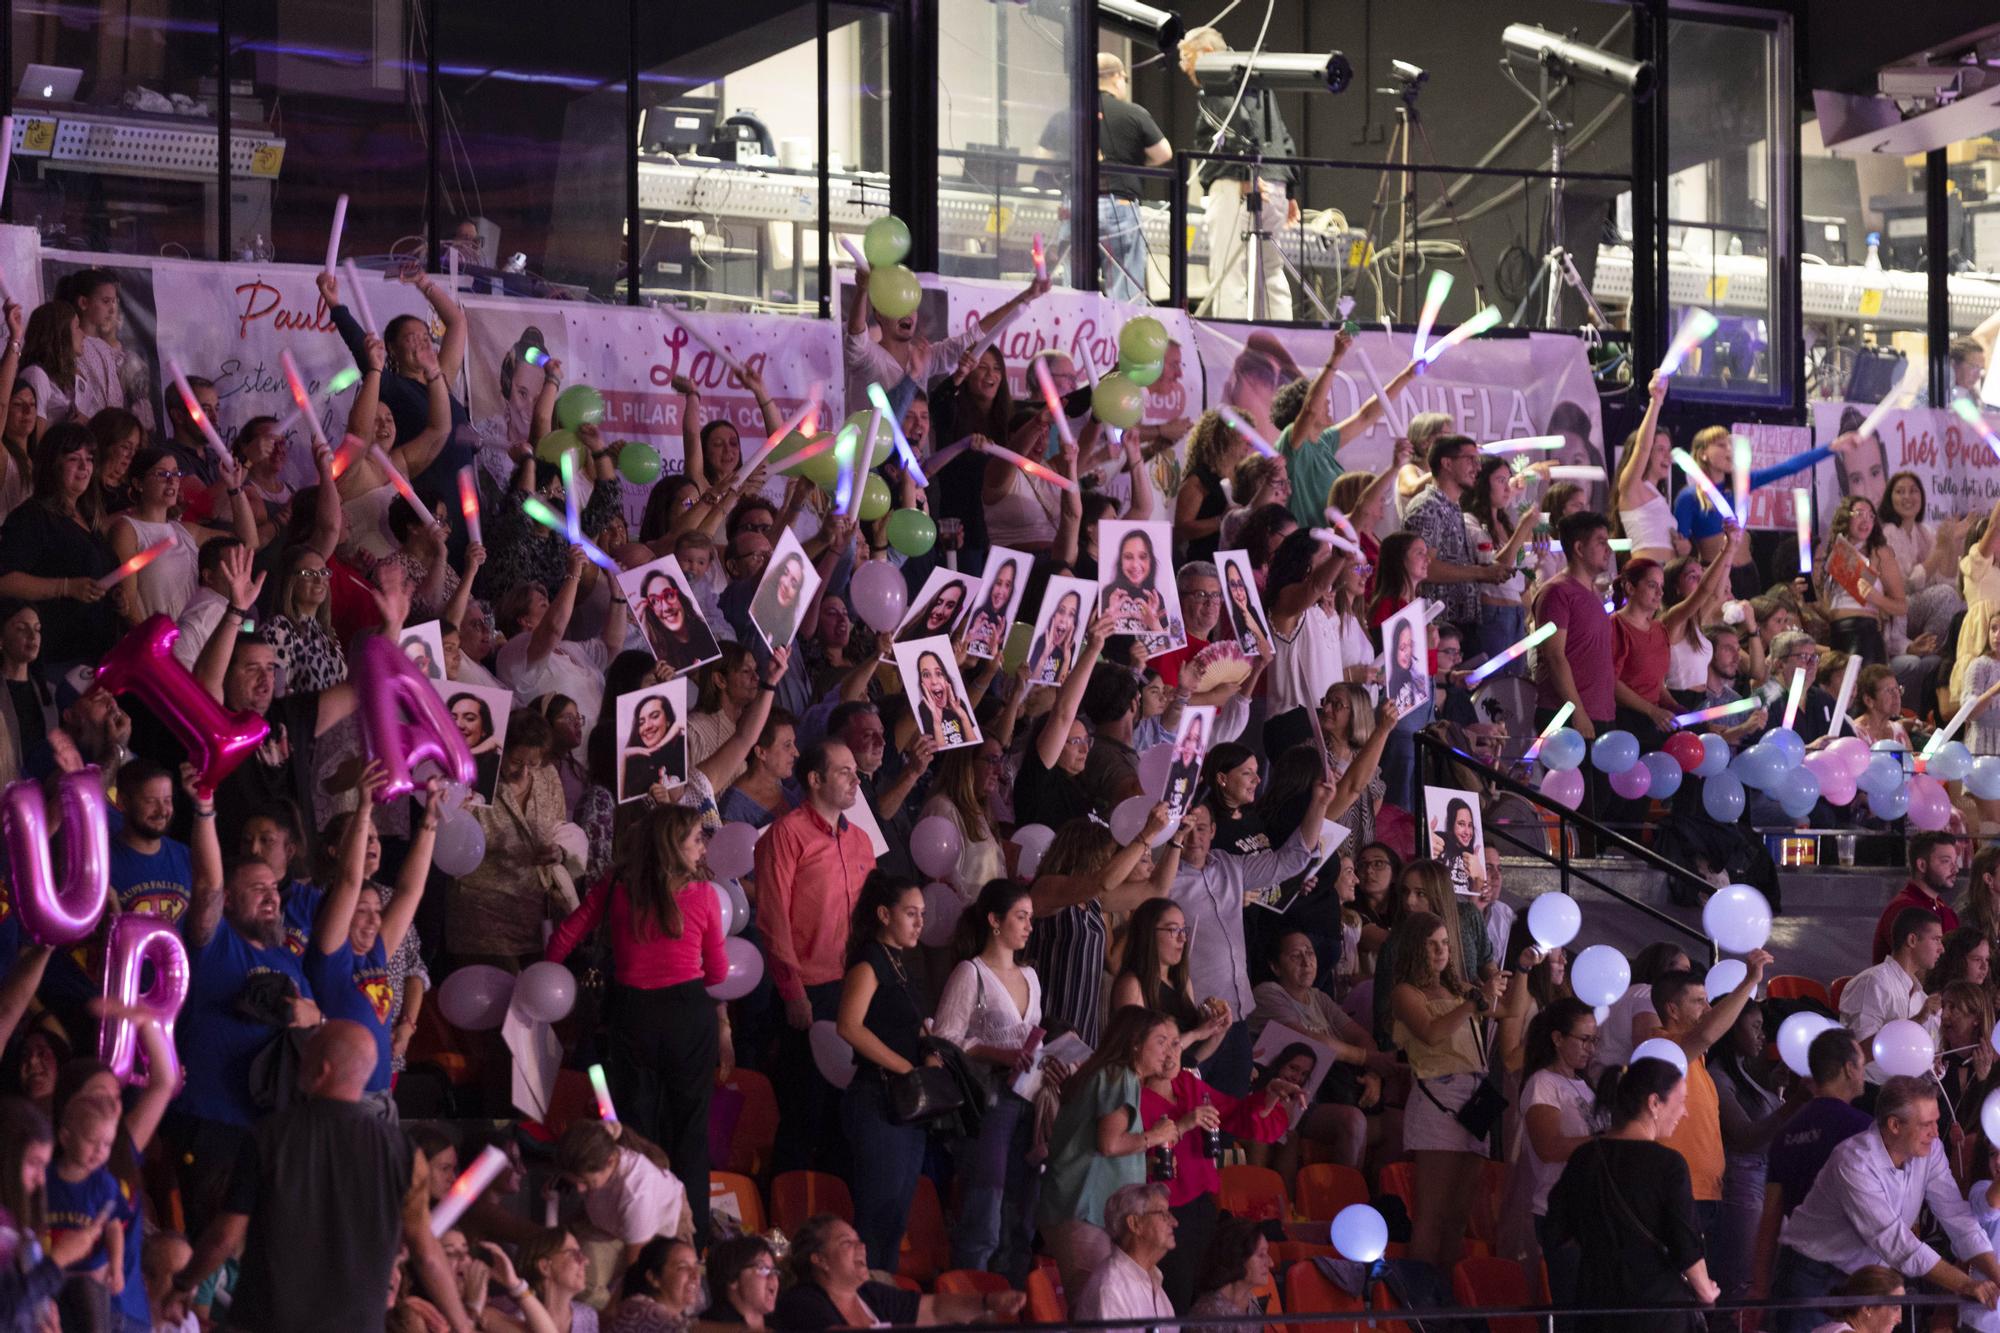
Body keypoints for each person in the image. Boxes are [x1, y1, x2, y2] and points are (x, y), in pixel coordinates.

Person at [171, 1022, 476, 1332]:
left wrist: (181, 1286)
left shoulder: (270, 1136)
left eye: (307, 1054)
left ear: (323, 1069)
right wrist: (462, 1325)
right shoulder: (403, 1152)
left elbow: (226, 1235)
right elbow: (428, 1255)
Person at [548, 806, 728, 1244]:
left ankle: (639, 1242)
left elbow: (564, 938)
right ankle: (691, 1244)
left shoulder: (617, 886)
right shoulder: (703, 895)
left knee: (636, 1132)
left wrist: (545, 977)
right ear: (673, 847)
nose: (704, 845)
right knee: (691, 1133)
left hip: (633, 1017)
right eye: (695, 839)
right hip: (688, 1018)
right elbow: (719, 974)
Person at [1772, 1075, 2000, 1333]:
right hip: (1813, 1272)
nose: (1936, 1133)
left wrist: (1996, 1274)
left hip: (1868, 1274)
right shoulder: (1854, 1161)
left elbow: (1956, 1216)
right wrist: (1966, 1284)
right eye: (1927, 1124)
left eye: (1937, 1121)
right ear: (1894, 1125)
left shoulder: (1930, 1148)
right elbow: (1897, 1243)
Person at [754, 741, 877, 1172]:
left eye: (854, 770)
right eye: (844, 771)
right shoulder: (786, 835)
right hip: (809, 991)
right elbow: (773, 919)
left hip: (854, 987)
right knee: (803, 1110)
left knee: (848, 1113)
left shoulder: (861, 840)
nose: (855, 777)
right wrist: (792, 992)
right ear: (815, 779)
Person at [1545, 1058, 1720, 1333]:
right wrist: (1705, 1291)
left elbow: (1554, 1230)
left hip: (1595, 1307)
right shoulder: (1668, 1163)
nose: (1684, 1112)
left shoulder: (1585, 1157)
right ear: (1654, 1103)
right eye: (1681, 1101)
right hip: (1655, 1310)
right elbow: (1684, 1241)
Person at [306, 763, 441, 1119]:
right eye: (360, 912)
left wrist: (429, 821)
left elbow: (412, 891)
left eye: (376, 911)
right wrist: (364, 808)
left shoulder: (375, 956)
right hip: (346, 1101)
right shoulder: (331, 959)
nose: (373, 920)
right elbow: (350, 882)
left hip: (382, 1096)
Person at [1389, 909, 1521, 1271]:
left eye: (1445, 944)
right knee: (1431, 1213)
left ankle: (1448, 1292)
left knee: (1459, 1215)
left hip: (1475, 1093)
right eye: (1432, 945)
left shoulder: (1461, 987)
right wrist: (1473, 1003)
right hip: (1438, 1093)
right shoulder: (1406, 992)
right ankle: (1422, 1301)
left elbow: (1512, 1011)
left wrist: (1522, 969)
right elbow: (1431, 1032)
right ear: (1415, 949)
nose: (1441, 952)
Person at [932, 878, 1042, 1281]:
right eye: (1020, 917)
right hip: (988, 1101)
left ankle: (1010, 1303)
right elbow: (945, 1037)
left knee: (1021, 1213)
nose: (1029, 926)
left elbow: (1031, 1035)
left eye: (1031, 917)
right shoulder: (971, 972)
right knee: (985, 1213)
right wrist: (998, 1052)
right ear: (995, 921)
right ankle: (970, 1303)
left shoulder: (1031, 976)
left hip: (1027, 1098)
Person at [833, 873, 932, 1272]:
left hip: (904, 1104)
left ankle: (882, 1300)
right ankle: (866, 1303)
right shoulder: (871, 959)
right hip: (877, 1098)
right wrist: (906, 1066)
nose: (920, 922)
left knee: (895, 1220)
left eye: (922, 914)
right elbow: (849, 1026)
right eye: (911, 913)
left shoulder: (899, 961)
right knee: (876, 1219)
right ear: (883, 914)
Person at [1180, 26, 1297, 319]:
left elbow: (1237, 128)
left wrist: (1248, 176)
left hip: (1239, 183)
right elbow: (1281, 134)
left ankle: (1227, 357)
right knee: (1271, 273)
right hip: (1275, 182)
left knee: (1228, 275)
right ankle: (1279, 348)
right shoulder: (1257, 75)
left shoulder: (1218, 76)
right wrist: (1290, 190)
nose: (1184, 67)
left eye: (1187, 57)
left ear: (1207, 53)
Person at [1751, 1027, 1871, 1301]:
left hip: (1797, 1267)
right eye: (1862, 1066)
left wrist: (1759, 1286)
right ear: (1850, 1069)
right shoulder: (1864, 1130)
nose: (1864, 1073)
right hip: (1851, 1268)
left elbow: (1770, 1216)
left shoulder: (1786, 1134)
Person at [771, 1214, 1023, 1330]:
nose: (862, 1247)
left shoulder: (872, 1294)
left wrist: (987, 1302)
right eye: (847, 1243)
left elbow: (934, 1309)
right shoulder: (802, 1301)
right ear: (820, 1260)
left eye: (859, 1240)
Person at [1517, 997, 1600, 1305]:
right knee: (1572, 1305)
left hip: (1590, 1208)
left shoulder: (1586, 1085)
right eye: (1584, 1039)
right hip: (1560, 1210)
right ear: (1557, 1038)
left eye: (1595, 1040)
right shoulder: (1543, 1083)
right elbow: (1548, 1147)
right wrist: (1604, 1141)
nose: (1591, 1048)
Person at [1082, 53, 1171, 303]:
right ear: (1117, 77)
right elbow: (1164, 153)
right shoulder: (1133, 113)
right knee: (1125, 288)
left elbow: (1043, 154)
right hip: (1118, 204)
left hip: (1077, 205)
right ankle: (1123, 339)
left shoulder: (1071, 113)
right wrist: (1134, 163)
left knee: (1074, 287)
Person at [1840, 909, 1944, 1083]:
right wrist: (1917, 1021)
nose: (1942, 948)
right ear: (1912, 940)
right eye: (1936, 940)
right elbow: (1857, 1053)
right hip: (1868, 1092)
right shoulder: (1873, 982)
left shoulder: (1922, 998)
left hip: (1905, 1093)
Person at [1073, 1181, 1177, 1324]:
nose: (1174, 1222)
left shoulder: (1152, 1280)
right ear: (1134, 1224)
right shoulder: (1111, 1288)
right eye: (1162, 1214)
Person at [1869, 832, 1961, 964]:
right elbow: (1918, 969)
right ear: (1922, 865)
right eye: (1946, 861)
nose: (1955, 869)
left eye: (1955, 862)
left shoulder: (1945, 910)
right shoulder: (1903, 909)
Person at [604, 1237, 702, 1333]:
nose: (695, 1276)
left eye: (696, 1266)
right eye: (682, 1267)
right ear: (654, 1278)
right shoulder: (639, 1309)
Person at [635, 569, 718, 671]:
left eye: (669, 595)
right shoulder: (658, 653)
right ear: (651, 612)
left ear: (680, 597)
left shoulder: (703, 629)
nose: (665, 607)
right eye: (655, 601)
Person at [701, 1235, 781, 1330]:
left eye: (774, 1271)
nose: (772, 1277)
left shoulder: (781, 1322)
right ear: (732, 1279)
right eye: (762, 1268)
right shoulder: (709, 1327)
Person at [620, 691, 686, 797]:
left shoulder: (682, 746)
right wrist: (624, 755)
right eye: (641, 723)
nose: (647, 726)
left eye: (654, 716)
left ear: (668, 720)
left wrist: (660, 743)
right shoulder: (632, 763)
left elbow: (682, 724)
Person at [909, 648, 976, 747]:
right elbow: (939, 753)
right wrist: (937, 723)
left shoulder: (959, 703)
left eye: (939, 673)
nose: (934, 681)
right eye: (926, 675)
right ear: (921, 682)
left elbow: (973, 746)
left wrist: (963, 716)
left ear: (945, 678)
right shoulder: (923, 708)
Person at [749, 550, 809, 651]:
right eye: (785, 573)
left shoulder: (787, 636)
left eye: (794, 584)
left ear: (796, 596)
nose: (786, 584)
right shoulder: (752, 606)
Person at [961, 557, 1018, 659]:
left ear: (1011, 590)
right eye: (998, 583)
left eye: (1007, 585)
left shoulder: (1006, 626)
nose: (1000, 591)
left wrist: (994, 650)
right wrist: (968, 637)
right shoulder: (977, 614)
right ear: (992, 585)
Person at [448, 691, 503, 794]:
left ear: (484, 730)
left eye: (469, 719)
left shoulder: (495, 767)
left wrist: (494, 741)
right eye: (453, 718)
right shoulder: (432, 759)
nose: (459, 725)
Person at [896, 576, 968, 644]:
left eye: (949, 606)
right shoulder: (902, 631)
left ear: (956, 611)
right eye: (938, 603)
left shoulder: (950, 646)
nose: (939, 611)